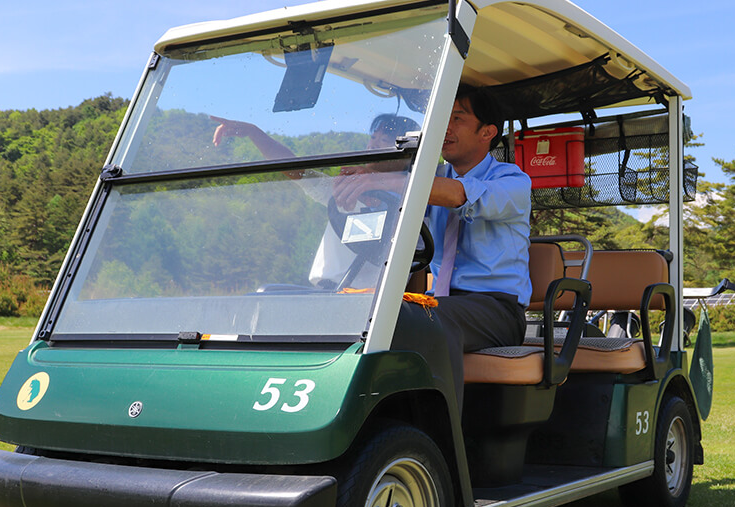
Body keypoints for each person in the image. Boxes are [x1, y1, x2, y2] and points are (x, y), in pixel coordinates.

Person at [389, 84, 533, 410]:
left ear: (487, 132)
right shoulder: (431, 178)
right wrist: (361, 189)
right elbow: (400, 215)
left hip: (498, 310)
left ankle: (441, 434)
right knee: (380, 312)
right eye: (443, 118)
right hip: (443, 303)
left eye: (457, 118)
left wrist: (392, 182)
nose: (446, 127)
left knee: (425, 318)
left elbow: (457, 195)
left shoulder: (513, 181)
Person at [211, 113, 421, 288]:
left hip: (370, 306)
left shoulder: (415, 197)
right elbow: (294, 168)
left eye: (384, 141)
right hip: (326, 295)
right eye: (373, 138)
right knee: (264, 295)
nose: (373, 145)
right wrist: (253, 132)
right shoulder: (343, 187)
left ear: (405, 154)